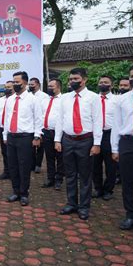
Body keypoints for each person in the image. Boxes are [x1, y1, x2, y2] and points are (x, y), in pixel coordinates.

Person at [55, 67, 102, 221]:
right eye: (70, 79)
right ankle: (71, 203)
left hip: (86, 141)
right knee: (70, 174)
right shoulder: (65, 98)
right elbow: (60, 120)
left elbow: (98, 121)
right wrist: (57, 140)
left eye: (76, 79)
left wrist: (97, 143)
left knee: (85, 176)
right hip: (68, 140)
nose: (73, 82)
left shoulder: (94, 97)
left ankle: (84, 207)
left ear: (85, 79)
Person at [111, 63, 133, 234]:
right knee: (127, 181)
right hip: (127, 143)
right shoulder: (121, 100)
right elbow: (116, 126)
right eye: (132, 76)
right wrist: (115, 148)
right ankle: (130, 214)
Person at [3, 72, 42, 206]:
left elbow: (38, 119)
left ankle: (24, 193)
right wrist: (5, 135)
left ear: (25, 83)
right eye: (13, 82)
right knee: (12, 165)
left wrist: (37, 136)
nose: (14, 84)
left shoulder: (33, 99)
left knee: (24, 166)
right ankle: (16, 191)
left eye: (17, 82)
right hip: (11, 136)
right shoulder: (10, 99)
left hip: (26, 137)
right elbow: (8, 118)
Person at [92, 75, 118, 200]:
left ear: (111, 85)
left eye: (106, 82)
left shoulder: (117, 101)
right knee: (95, 164)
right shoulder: (93, 99)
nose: (103, 84)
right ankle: (97, 188)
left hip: (110, 134)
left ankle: (108, 190)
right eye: (101, 82)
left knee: (111, 165)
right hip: (95, 134)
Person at [41, 79, 64, 190]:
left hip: (59, 133)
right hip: (47, 132)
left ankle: (59, 179)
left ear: (58, 87)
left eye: (52, 86)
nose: (49, 88)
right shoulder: (45, 100)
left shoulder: (64, 100)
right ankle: (51, 178)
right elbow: (41, 115)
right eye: (48, 86)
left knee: (60, 157)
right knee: (49, 157)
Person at [0, 81, 14, 180]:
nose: (7, 89)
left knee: (13, 153)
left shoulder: (15, 100)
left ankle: (14, 172)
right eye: (5, 87)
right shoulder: (1, 100)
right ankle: (7, 171)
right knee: (4, 152)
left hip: (12, 130)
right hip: (2, 129)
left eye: (9, 87)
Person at [29, 77, 49, 173]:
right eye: (29, 85)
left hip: (40, 124)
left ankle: (38, 164)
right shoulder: (28, 95)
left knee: (40, 146)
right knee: (31, 146)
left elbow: (44, 113)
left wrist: (41, 128)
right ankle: (32, 164)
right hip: (30, 125)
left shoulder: (44, 96)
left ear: (38, 85)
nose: (30, 86)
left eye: (32, 85)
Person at [115, 77, 132, 185]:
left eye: (125, 86)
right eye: (121, 85)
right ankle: (118, 175)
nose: (122, 87)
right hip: (118, 133)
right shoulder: (117, 100)